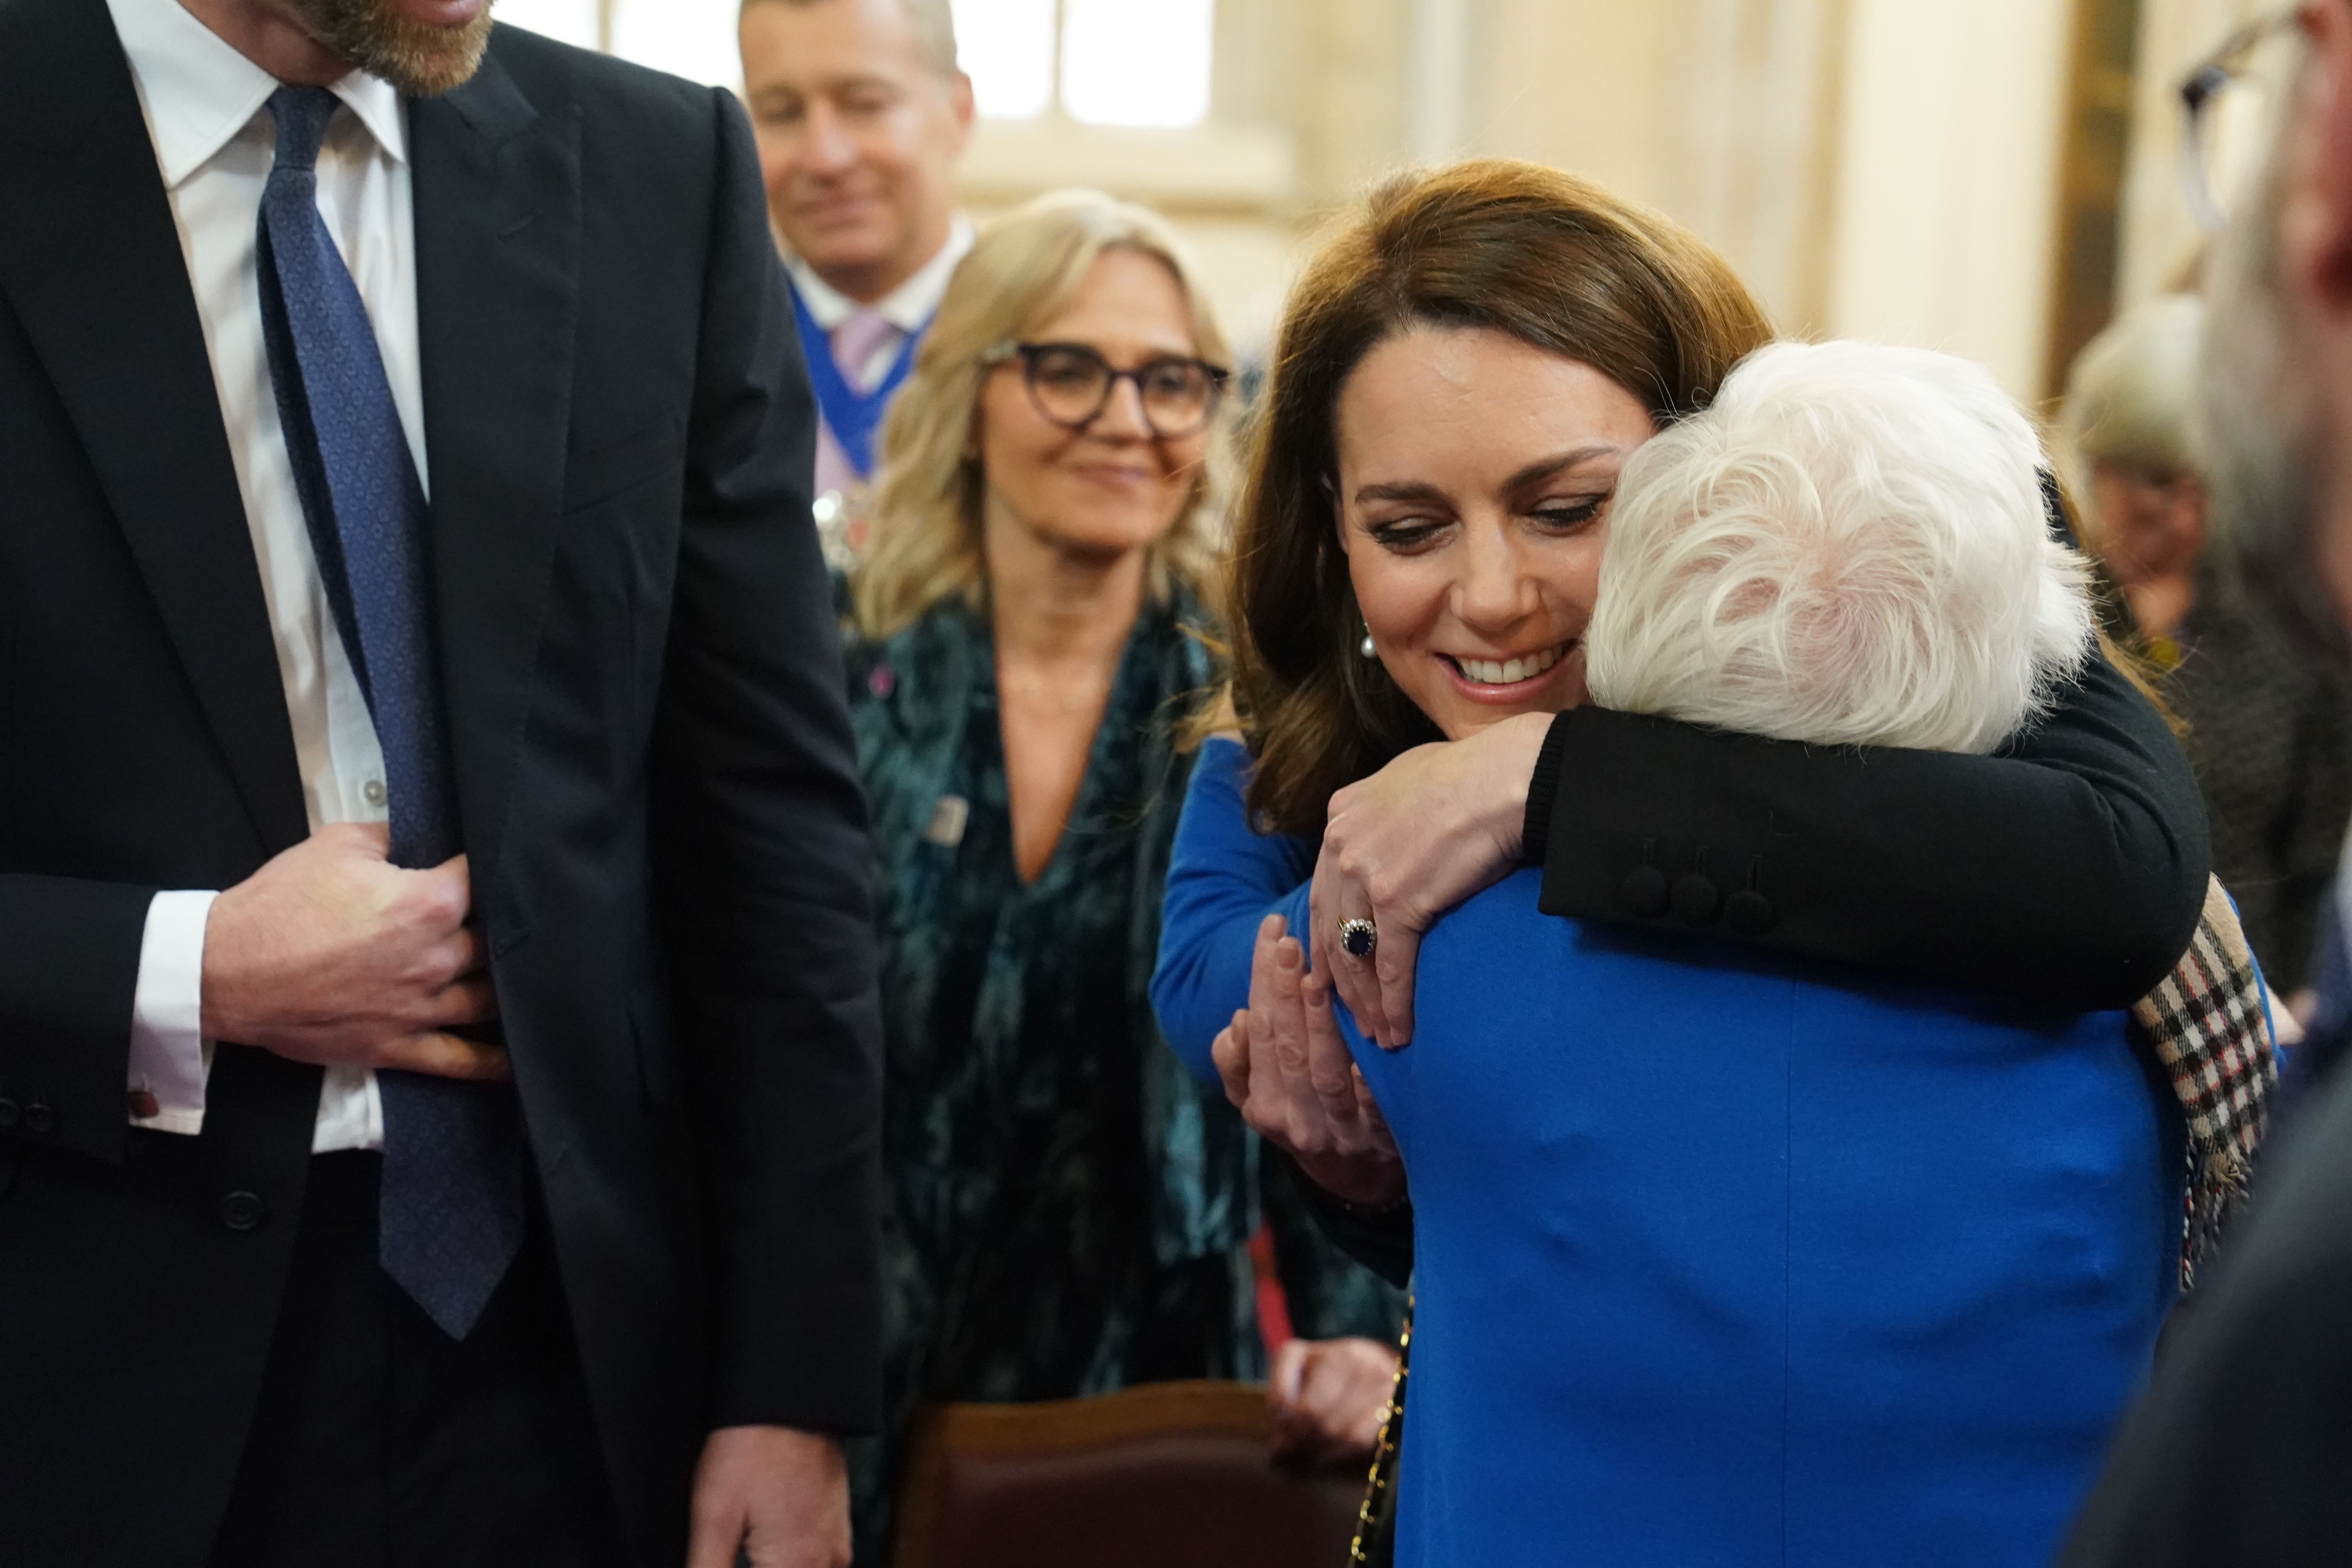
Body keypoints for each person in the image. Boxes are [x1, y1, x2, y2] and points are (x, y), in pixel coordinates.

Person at [0, 3, 880, 1567]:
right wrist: (186, 972)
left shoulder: (653, 170)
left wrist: (787, 1384)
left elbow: (770, 820)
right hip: (79, 1359)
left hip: (576, 1375)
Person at [1185, 328, 2187, 1564]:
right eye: (1410, 525)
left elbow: (1206, 976)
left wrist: (1260, 713)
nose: (1496, 592)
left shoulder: (1439, 956)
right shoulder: (2156, 1016)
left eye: (1567, 508)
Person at [838, 189, 1404, 1564]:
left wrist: (1346, 1326)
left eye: (1172, 379)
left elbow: (1308, 1013)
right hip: (855, 1331)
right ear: (971, 388)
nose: (1129, 416)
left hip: (1149, 1358)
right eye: (1069, 367)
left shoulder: (1263, 706)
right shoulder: (838, 669)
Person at [2061, 5, 2352, 1561]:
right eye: (2137, 483)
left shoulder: (2287, 632)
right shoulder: (2062, 624)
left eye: (2189, 487)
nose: (2165, 513)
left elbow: (2308, 861)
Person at [2061, 294, 2352, 996]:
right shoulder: (2060, 608)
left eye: (2204, 492)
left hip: (2254, 997)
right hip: (2080, 982)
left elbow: (2320, 856)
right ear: (2100, 470)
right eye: (2153, 489)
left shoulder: (2293, 626)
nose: (2183, 520)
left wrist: (2304, 1009)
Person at [740, 0, 975, 550]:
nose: (825, 158)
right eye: (781, 113)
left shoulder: (1051, 344)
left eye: (866, 105)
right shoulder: (704, 352)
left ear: (959, 112)